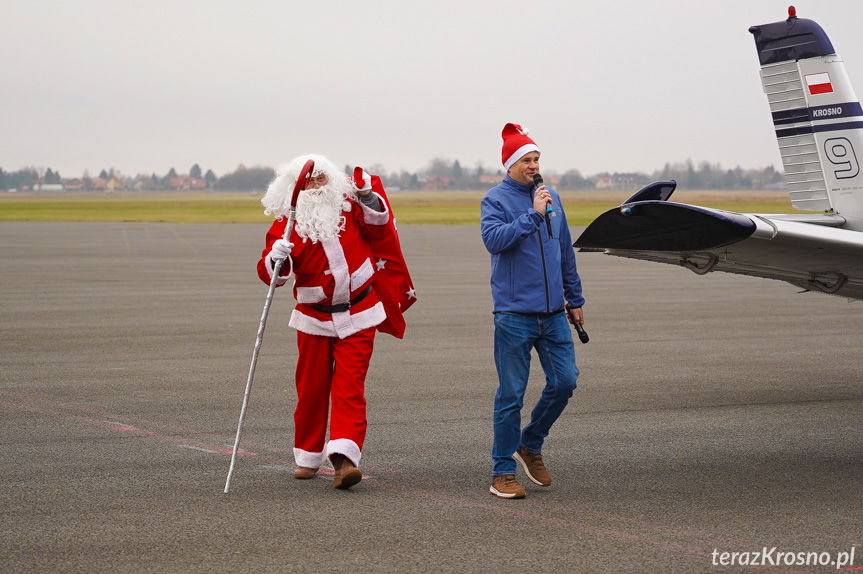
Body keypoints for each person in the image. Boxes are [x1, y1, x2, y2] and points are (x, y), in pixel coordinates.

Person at [257, 154, 415, 490]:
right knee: (312, 388)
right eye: (308, 181)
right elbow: (271, 276)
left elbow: (380, 226)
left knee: (349, 386)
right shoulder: (286, 224)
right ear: (295, 187)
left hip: (360, 312)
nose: (316, 185)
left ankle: (344, 458)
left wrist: (369, 195)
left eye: (321, 178)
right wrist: (277, 259)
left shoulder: (349, 208)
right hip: (314, 318)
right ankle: (307, 455)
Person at [480, 123, 585, 499]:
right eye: (527, 159)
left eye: (537, 158)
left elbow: (564, 252)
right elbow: (493, 241)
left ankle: (531, 442)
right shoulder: (495, 200)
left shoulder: (551, 195)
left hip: (554, 312)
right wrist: (533, 216)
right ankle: (502, 472)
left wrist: (575, 298)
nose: (533, 165)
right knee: (511, 393)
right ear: (510, 164)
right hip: (514, 314)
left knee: (566, 381)